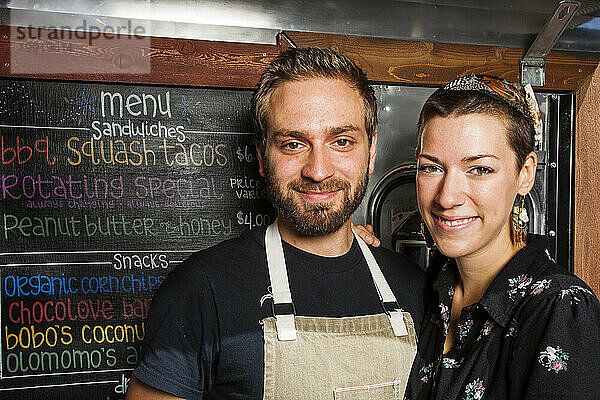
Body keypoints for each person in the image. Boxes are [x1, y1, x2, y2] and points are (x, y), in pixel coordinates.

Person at [126, 47, 425, 400]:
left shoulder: (415, 286)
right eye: (293, 144)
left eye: (341, 142)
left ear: (371, 151)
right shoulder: (201, 289)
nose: (318, 170)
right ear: (262, 157)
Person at [355, 74, 600, 399]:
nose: (447, 197)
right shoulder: (429, 291)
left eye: (480, 169)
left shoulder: (560, 311)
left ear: (525, 174)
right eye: (431, 167)